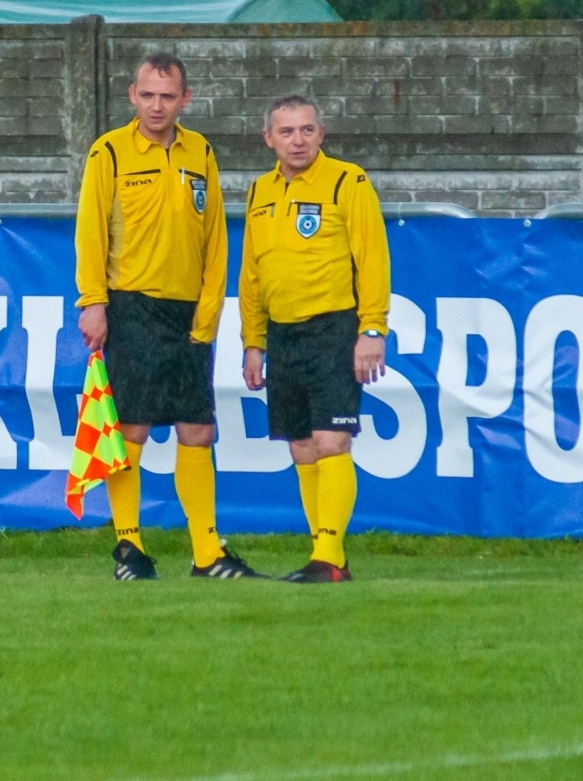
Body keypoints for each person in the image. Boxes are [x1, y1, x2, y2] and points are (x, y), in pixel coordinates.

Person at [75, 52, 264, 580]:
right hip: (131, 305)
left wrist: (210, 310)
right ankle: (129, 547)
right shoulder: (108, 152)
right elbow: (90, 232)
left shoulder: (200, 151)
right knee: (131, 428)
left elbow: (215, 238)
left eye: (167, 96)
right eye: (147, 95)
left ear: (185, 99)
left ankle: (207, 552)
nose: (156, 106)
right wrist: (93, 301)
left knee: (198, 429)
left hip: (189, 313)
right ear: (132, 96)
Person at [239, 95, 390, 583]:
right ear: (269, 139)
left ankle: (327, 557)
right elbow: (251, 274)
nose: (298, 140)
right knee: (302, 446)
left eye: (307, 130)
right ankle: (329, 559)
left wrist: (372, 329)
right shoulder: (259, 190)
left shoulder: (348, 181)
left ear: (321, 134)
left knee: (331, 440)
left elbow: (372, 258)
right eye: (286, 132)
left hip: (334, 328)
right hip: (282, 334)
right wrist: (253, 341)